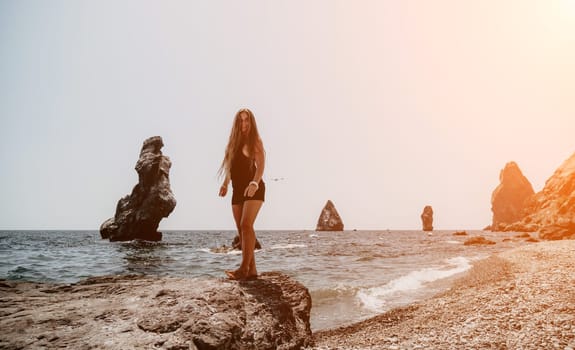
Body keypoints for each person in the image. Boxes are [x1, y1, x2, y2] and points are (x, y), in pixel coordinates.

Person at [218, 108, 266, 280]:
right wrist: (225, 184)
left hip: (253, 188)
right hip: (237, 190)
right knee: (242, 230)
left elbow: (261, 165)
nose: (244, 123)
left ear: (251, 122)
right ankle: (252, 270)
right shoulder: (233, 144)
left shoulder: (255, 141)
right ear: (237, 123)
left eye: (247, 120)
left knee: (246, 225)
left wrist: (255, 182)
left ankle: (243, 269)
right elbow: (230, 167)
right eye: (241, 120)